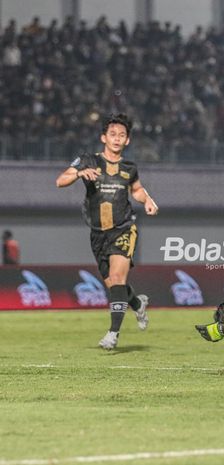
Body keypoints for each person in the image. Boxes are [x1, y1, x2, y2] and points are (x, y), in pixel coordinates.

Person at [56, 113, 158, 349]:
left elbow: (137, 189)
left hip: (123, 229)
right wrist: (80, 173)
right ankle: (137, 304)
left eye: (122, 135)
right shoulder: (87, 160)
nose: (117, 138)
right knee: (114, 284)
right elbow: (60, 180)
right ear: (104, 137)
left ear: (127, 141)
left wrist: (148, 200)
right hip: (97, 234)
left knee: (119, 278)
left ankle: (113, 334)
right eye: (112, 134)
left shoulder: (129, 168)